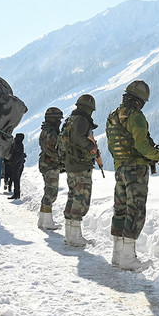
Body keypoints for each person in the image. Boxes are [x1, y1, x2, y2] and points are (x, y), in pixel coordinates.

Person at [106, 79, 159, 270]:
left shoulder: (113, 115)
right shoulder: (137, 117)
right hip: (136, 170)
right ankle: (128, 258)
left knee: (121, 208)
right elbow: (141, 145)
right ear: (140, 100)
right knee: (135, 210)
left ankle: (117, 255)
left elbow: (111, 145)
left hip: (120, 167)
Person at [61, 94, 102, 247]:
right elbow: (79, 137)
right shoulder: (82, 120)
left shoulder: (71, 119)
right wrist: (92, 148)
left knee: (73, 197)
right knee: (80, 199)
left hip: (71, 164)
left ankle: (70, 235)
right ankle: (75, 237)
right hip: (80, 165)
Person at [37, 106, 64, 230]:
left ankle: (43, 219)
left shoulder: (46, 130)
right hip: (50, 164)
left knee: (48, 191)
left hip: (46, 164)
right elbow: (51, 150)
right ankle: (47, 221)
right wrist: (61, 160)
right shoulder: (51, 132)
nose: (60, 122)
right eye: (58, 119)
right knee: (51, 193)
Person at [6, 133, 26, 200]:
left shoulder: (19, 145)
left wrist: (12, 162)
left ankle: (16, 194)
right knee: (15, 180)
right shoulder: (17, 144)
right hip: (16, 164)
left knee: (16, 180)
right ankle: (16, 194)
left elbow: (17, 156)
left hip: (16, 165)